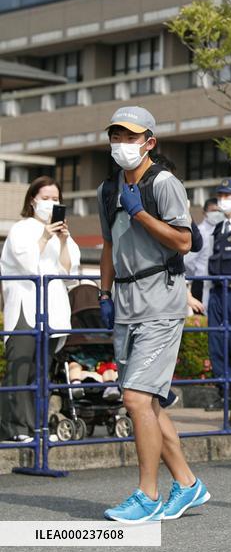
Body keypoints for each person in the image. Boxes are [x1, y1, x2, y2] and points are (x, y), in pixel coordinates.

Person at [98, 106, 209, 521]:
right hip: (125, 302)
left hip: (161, 299)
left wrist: (141, 213)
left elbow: (183, 241)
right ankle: (188, 484)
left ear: (149, 142)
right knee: (149, 404)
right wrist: (103, 292)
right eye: (116, 136)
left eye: (130, 137)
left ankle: (147, 495)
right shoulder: (107, 190)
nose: (122, 144)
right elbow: (109, 245)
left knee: (136, 399)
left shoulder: (164, 183)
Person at [0, 177, 81, 442]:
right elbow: (26, 264)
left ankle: (38, 426)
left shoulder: (60, 235)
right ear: (32, 199)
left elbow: (69, 274)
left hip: (53, 309)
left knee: (42, 371)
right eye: (45, 198)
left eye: (55, 199)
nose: (50, 203)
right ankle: (15, 428)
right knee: (21, 368)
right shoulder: (21, 229)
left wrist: (63, 239)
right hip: (25, 305)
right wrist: (45, 237)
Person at [204, 179, 231, 412]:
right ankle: (225, 395)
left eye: (227, 195)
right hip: (217, 293)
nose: (223, 199)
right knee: (217, 347)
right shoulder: (218, 228)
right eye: (219, 194)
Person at [184, 197, 220, 304]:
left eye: (219, 211)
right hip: (200, 281)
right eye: (213, 211)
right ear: (204, 213)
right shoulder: (200, 232)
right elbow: (187, 260)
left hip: (216, 281)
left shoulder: (222, 229)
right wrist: (197, 273)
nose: (217, 214)